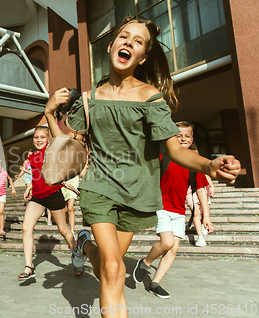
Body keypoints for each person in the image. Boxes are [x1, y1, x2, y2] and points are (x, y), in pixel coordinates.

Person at [45, 16, 240, 317]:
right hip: (98, 188)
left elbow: (175, 150)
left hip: (136, 194)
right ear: (111, 45)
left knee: (111, 269)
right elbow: (67, 147)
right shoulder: (89, 99)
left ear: (143, 57)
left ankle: (84, 244)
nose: (129, 43)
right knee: (113, 268)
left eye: (138, 41)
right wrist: (49, 114)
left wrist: (208, 164)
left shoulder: (150, 99)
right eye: (124, 36)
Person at [132, 121, 214, 299]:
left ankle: (155, 283)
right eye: (178, 135)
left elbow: (200, 189)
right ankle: (145, 263)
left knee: (173, 249)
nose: (183, 138)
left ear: (192, 139)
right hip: (161, 205)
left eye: (187, 136)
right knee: (167, 242)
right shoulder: (163, 155)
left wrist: (206, 215)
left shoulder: (194, 162)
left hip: (179, 210)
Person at [18, 126, 85, 281]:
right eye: (36, 137)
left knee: (64, 230)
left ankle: (78, 259)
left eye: (42, 137)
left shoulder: (53, 153)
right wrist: (29, 188)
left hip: (54, 194)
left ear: (48, 138)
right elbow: (37, 176)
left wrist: (67, 181)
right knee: (26, 227)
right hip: (38, 197)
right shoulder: (32, 157)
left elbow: (65, 166)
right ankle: (29, 266)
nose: (39, 140)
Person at [186, 143, 215, 247]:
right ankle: (200, 237)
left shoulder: (199, 164)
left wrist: (211, 185)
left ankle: (204, 224)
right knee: (195, 212)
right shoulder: (182, 165)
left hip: (201, 187)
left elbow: (205, 174)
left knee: (203, 209)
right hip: (188, 190)